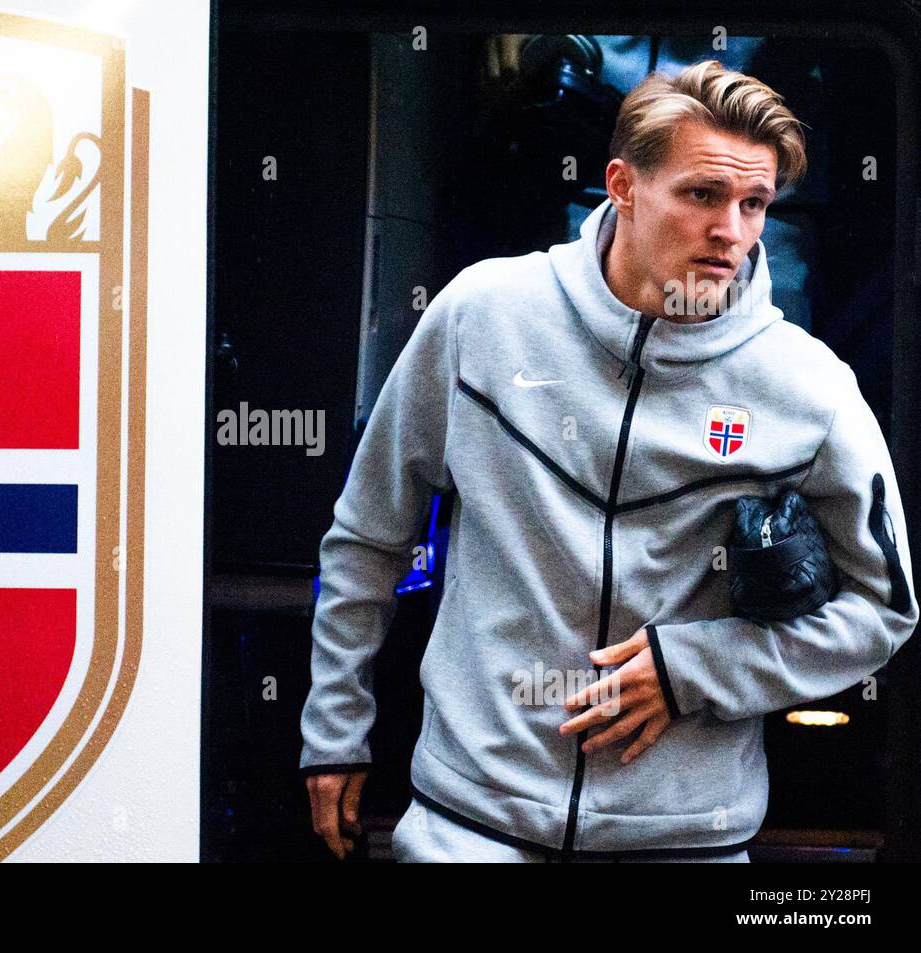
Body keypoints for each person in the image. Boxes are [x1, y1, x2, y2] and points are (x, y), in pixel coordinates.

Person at [299, 59, 919, 862]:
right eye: (702, 194)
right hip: (470, 820)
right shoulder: (482, 315)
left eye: (754, 203)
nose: (731, 229)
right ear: (622, 185)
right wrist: (334, 736)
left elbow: (886, 609)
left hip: (685, 837)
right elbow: (366, 538)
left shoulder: (808, 389)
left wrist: (695, 667)